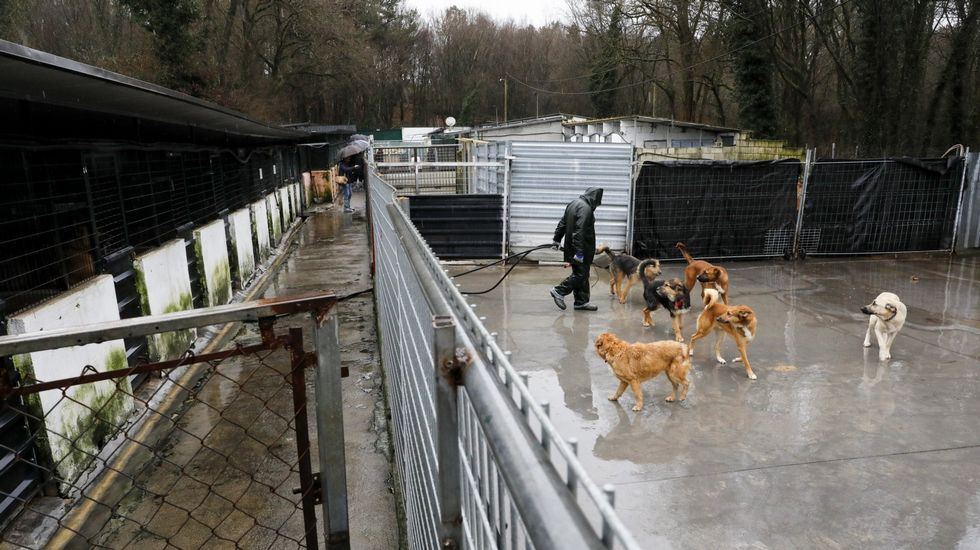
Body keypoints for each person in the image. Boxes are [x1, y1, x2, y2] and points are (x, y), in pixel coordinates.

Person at [549, 187, 604, 311]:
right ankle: (559, 291)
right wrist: (579, 253)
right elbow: (579, 232)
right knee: (581, 274)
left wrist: (556, 239)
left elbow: (563, 223)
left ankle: (581, 302)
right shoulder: (586, 209)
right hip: (581, 249)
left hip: (573, 247)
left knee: (582, 274)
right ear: (595, 198)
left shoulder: (574, 203)